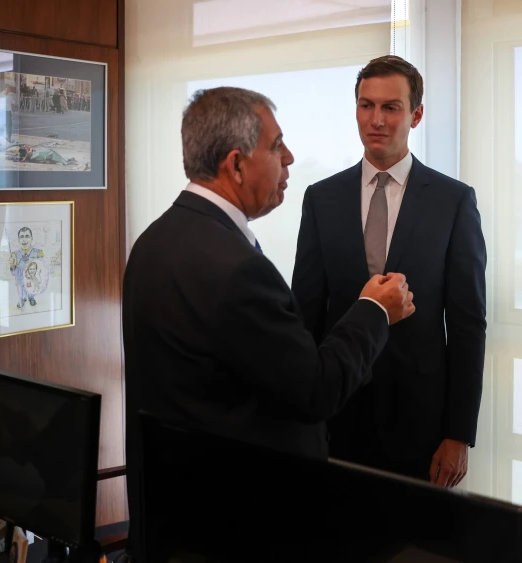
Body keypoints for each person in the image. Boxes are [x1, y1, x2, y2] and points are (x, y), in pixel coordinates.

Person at [122, 87, 416, 562]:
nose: (290, 157)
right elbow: (314, 390)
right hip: (237, 527)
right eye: (277, 146)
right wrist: (374, 310)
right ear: (236, 165)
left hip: (175, 518)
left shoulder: (154, 241)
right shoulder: (236, 269)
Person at [291, 55, 487, 486]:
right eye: (366, 105)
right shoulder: (320, 198)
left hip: (420, 422)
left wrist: (459, 435)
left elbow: (468, 323)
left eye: (390, 107)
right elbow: (305, 312)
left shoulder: (453, 202)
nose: (375, 119)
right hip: (336, 414)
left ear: (415, 115)